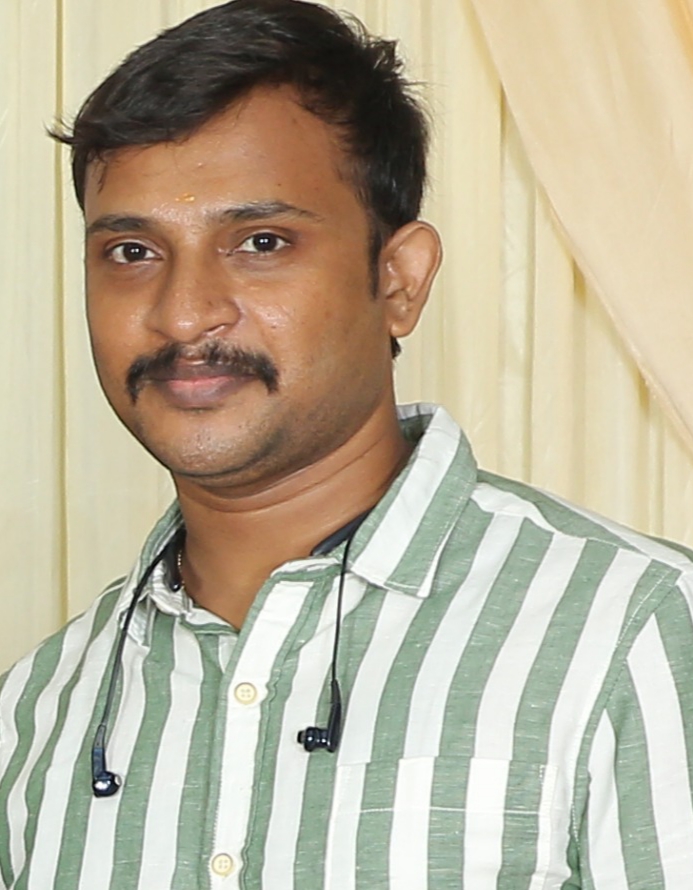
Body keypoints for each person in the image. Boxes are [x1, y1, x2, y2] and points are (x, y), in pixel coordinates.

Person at [2, 0, 693, 886]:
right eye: (132, 252)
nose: (182, 314)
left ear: (398, 280)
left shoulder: (635, 633)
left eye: (260, 242)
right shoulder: (41, 708)